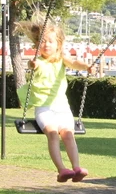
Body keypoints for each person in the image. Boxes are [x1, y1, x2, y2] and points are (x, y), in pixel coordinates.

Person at [21, 18, 92, 182]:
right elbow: (34, 65)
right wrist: (32, 65)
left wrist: (87, 67)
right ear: (37, 44)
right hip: (44, 108)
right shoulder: (38, 61)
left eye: (51, 41)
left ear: (58, 44)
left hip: (62, 108)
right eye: (43, 41)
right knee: (53, 134)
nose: (47, 45)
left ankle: (76, 167)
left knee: (68, 134)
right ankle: (62, 170)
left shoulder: (61, 59)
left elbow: (74, 63)